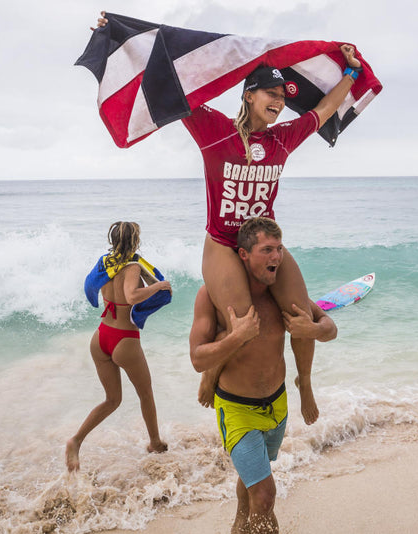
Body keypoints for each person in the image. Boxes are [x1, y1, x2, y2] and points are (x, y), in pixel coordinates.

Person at [94, 12, 361, 425]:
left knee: (301, 316)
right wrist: (119, 38)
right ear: (249, 95)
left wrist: (349, 72)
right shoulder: (213, 129)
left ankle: (304, 381)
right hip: (221, 242)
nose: (278, 101)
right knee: (242, 322)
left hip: (262, 244)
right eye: (270, 93)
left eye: (282, 97)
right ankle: (213, 375)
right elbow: (171, 88)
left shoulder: (283, 139)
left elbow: (325, 110)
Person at [189, 217, 337, 534]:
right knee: (266, 495)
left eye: (279, 249)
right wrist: (235, 337)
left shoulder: (279, 294)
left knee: (254, 476)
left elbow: (329, 328)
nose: (276, 258)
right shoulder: (212, 295)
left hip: (277, 405)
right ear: (244, 255)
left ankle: (240, 523)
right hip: (237, 408)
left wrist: (311, 329)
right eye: (267, 250)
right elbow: (197, 358)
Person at [66, 221, 173, 472]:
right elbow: (132, 297)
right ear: (135, 240)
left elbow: (92, 286)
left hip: (101, 336)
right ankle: (155, 442)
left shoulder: (106, 263)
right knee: (145, 393)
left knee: (112, 399)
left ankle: (75, 440)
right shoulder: (132, 266)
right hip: (124, 339)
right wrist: (159, 286)